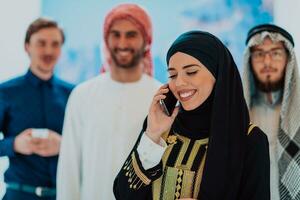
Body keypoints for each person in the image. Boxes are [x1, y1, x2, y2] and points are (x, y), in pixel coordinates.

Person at [113, 30, 270, 200]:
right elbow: (123, 194)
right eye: (172, 75)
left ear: (217, 73)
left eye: (191, 72)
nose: (179, 83)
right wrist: (151, 136)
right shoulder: (160, 128)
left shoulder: (250, 140)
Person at [56, 3, 161, 200]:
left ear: (147, 40)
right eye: (116, 34)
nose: (122, 43)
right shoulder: (82, 95)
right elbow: (69, 167)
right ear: (106, 39)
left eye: (131, 35)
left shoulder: (160, 96)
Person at [0, 18, 73, 200]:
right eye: (41, 43)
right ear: (27, 47)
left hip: (62, 195)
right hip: (18, 195)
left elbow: (89, 146)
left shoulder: (74, 95)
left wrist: (64, 145)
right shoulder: (5, 92)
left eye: (55, 44)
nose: (48, 51)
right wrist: (15, 144)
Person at [242, 24, 300, 200]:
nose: (267, 62)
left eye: (275, 53)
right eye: (259, 54)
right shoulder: (239, 115)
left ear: (288, 59)